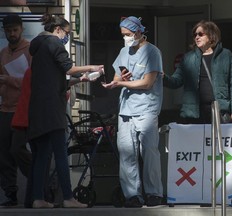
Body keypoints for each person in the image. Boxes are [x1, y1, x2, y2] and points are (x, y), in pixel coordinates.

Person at [163, 20, 232, 207]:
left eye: (200, 34)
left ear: (211, 36)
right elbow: (176, 81)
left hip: (219, 111)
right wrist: (162, 78)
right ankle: (203, 194)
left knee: (226, 153)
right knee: (200, 154)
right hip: (195, 112)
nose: (196, 37)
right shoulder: (188, 58)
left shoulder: (226, 55)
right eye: (195, 34)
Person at [27, 13, 104, 208]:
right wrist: (92, 66)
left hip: (38, 108)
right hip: (53, 108)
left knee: (42, 154)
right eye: (67, 32)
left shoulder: (38, 48)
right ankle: (69, 198)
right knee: (61, 153)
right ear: (58, 30)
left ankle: (38, 198)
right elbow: (68, 69)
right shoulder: (54, 44)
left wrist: (83, 79)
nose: (67, 36)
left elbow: (55, 80)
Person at [102, 16, 163, 207]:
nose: (126, 39)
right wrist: (120, 79)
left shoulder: (152, 52)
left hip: (146, 108)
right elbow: (117, 75)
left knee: (149, 152)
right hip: (126, 110)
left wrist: (122, 82)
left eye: (128, 35)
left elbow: (147, 82)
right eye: (123, 35)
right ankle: (132, 196)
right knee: (127, 153)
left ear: (138, 32)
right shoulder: (124, 51)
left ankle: (154, 193)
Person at [0, 14, 32, 207]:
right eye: (8, 31)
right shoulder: (3, 53)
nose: (12, 34)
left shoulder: (29, 51)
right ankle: (10, 193)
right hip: (5, 109)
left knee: (18, 149)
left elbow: (32, 82)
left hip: (23, 109)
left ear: (21, 29)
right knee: (3, 153)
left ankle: (40, 183)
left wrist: (8, 80)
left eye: (15, 30)